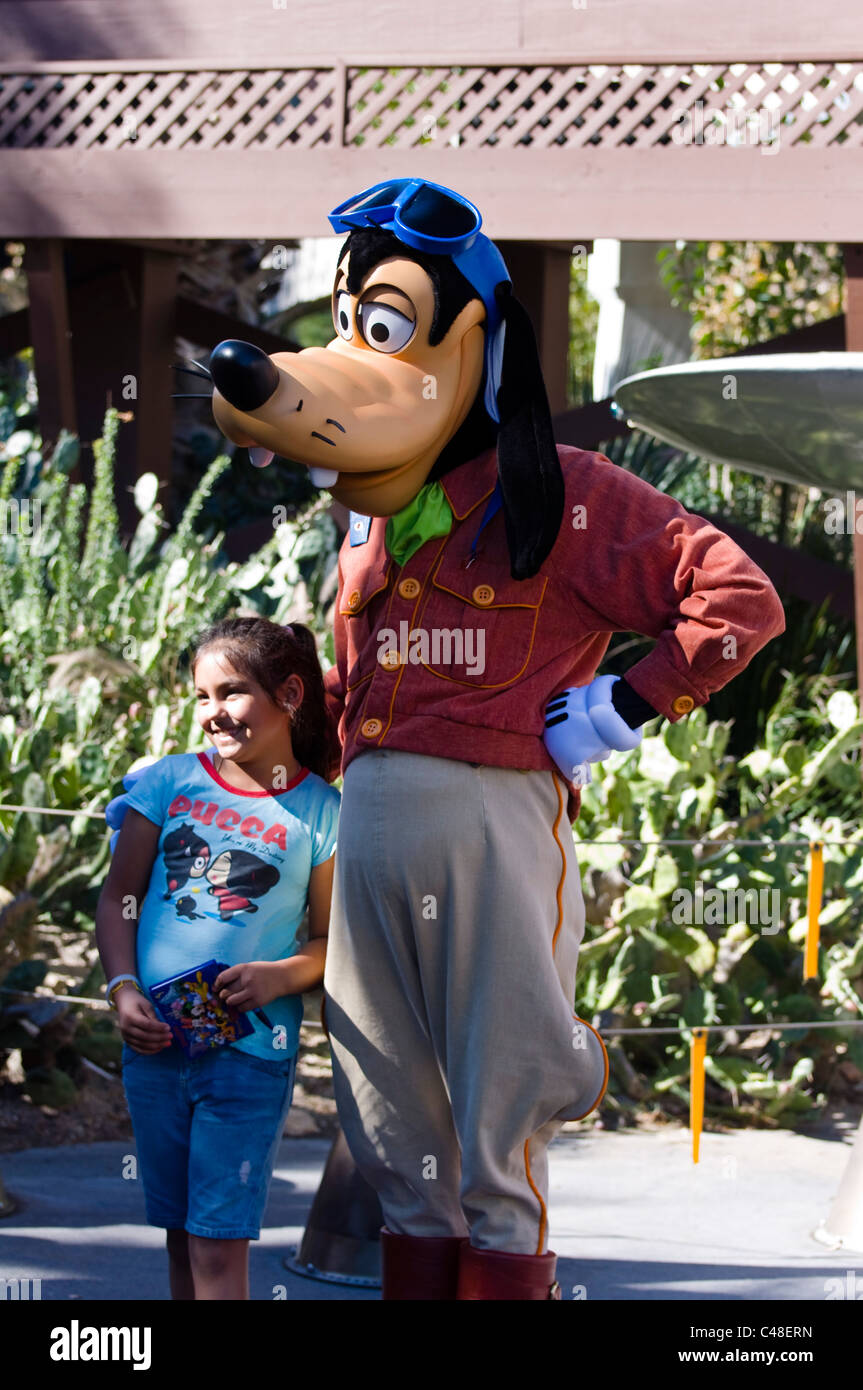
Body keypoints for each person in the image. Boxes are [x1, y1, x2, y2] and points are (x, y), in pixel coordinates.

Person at [95, 618, 339, 1300]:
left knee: (215, 1249)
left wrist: (278, 977)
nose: (212, 713)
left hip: (250, 1058)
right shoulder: (167, 783)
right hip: (155, 1049)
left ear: (290, 694)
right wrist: (122, 989)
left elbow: (332, 941)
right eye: (201, 696)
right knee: (181, 1236)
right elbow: (119, 898)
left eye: (230, 692)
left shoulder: (323, 813)